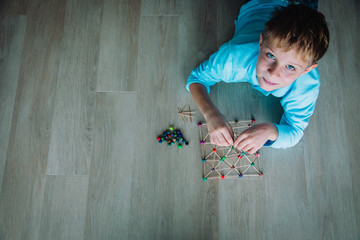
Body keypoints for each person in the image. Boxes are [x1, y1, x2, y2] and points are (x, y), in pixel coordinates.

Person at [186, 0, 329, 153]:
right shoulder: (234, 58)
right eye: (270, 55)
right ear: (261, 42)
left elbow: (295, 131)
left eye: (290, 67)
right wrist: (211, 114)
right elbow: (196, 79)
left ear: (307, 70)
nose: (273, 73)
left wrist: (271, 130)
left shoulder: (307, 85)